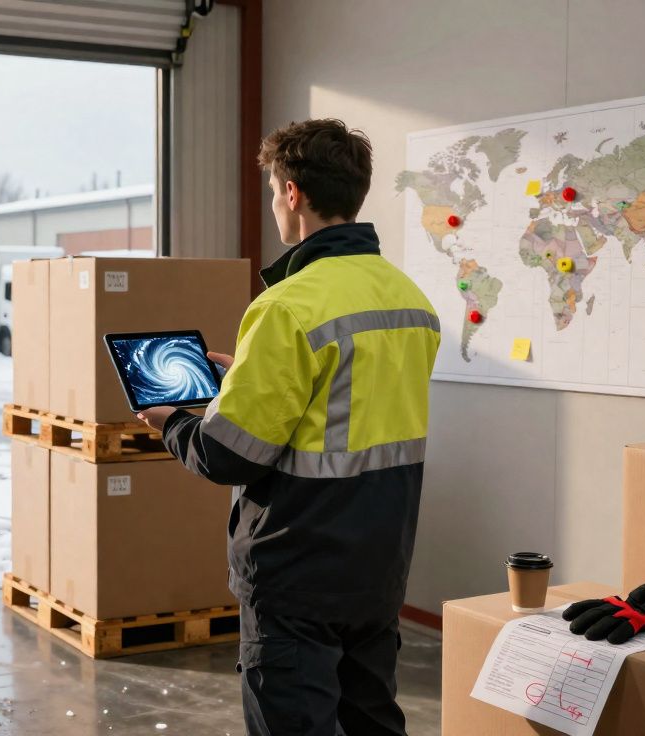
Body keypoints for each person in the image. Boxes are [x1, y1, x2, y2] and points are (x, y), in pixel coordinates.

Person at [135, 118, 440, 735]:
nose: (276, 202)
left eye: (275, 191)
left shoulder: (285, 307)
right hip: (380, 564)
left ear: (293, 193)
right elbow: (347, 403)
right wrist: (252, 378)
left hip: (297, 572)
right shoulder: (410, 299)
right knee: (372, 720)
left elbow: (228, 455)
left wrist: (171, 422)